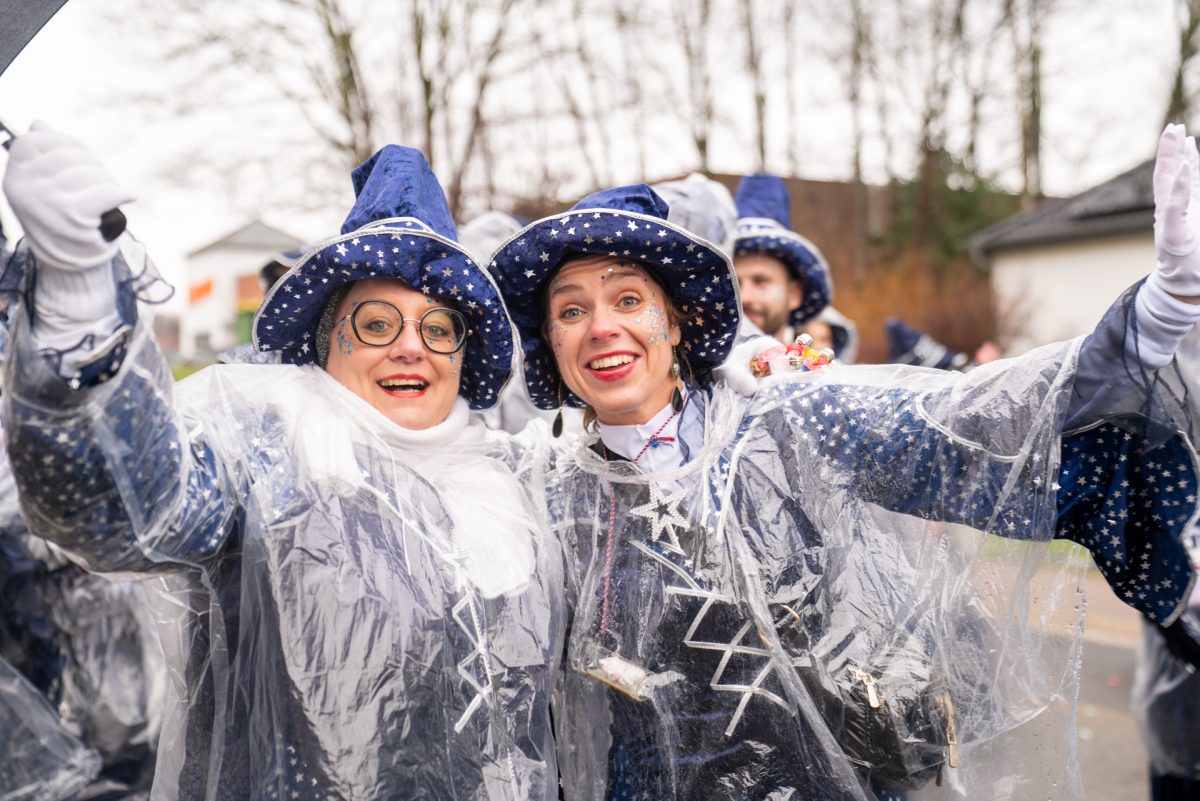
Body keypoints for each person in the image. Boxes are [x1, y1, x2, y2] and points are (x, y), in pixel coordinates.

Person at [487, 124, 1200, 800]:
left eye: (629, 298)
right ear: (549, 341)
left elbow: (970, 420)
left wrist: (1157, 317)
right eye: (572, 309)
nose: (603, 326)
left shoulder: (785, 424)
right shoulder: (545, 493)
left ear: (675, 322)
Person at [1, 124, 564, 800]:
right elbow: (128, 505)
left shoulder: (511, 479)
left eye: (438, 328)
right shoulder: (274, 455)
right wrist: (80, 301)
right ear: (327, 343)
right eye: (377, 323)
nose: (410, 346)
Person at [731, 172, 833, 342]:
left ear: (794, 294)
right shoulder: (692, 369)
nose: (745, 298)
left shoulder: (821, 369)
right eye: (734, 283)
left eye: (760, 281)